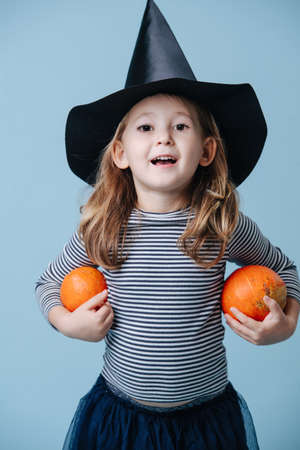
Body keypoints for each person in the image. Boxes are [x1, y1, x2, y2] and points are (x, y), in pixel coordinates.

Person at [35, 1, 300, 449]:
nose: (163, 137)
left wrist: (286, 324)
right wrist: (67, 323)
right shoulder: (105, 226)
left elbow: (286, 272)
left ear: (206, 152)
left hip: (206, 418)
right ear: (119, 153)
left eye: (181, 126)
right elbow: (47, 283)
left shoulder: (219, 225)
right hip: (121, 415)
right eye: (145, 128)